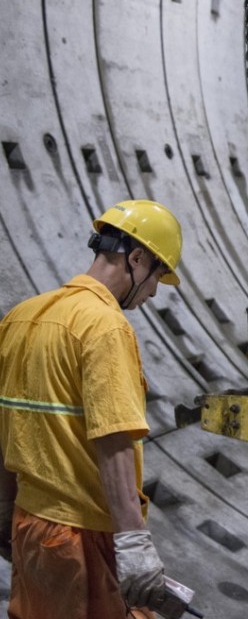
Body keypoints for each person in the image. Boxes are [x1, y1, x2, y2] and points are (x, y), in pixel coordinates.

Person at [0, 199, 183, 618]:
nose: (154, 291)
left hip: (30, 526)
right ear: (136, 258)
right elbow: (113, 440)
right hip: (84, 538)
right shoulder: (103, 326)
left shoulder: (21, 317)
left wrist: (4, 507)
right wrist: (133, 543)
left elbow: (7, 423)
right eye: (157, 275)